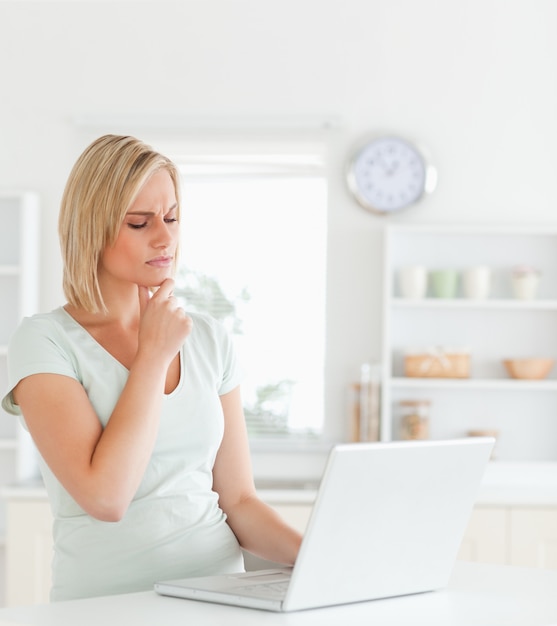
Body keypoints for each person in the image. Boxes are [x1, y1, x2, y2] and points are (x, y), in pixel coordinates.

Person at [1, 134, 302, 601]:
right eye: (139, 223)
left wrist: (316, 557)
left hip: (219, 600)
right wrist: (153, 355)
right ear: (92, 229)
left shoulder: (207, 338)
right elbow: (106, 498)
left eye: (172, 217)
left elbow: (240, 501)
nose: (165, 237)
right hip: (105, 607)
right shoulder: (44, 341)